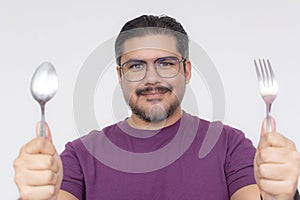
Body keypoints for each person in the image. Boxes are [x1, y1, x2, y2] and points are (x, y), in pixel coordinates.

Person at [14, 15, 300, 200]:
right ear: (120, 75)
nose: (152, 78)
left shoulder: (228, 145)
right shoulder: (80, 154)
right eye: (136, 66)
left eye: (166, 63)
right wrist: (35, 195)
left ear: (186, 71)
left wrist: (281, 196)